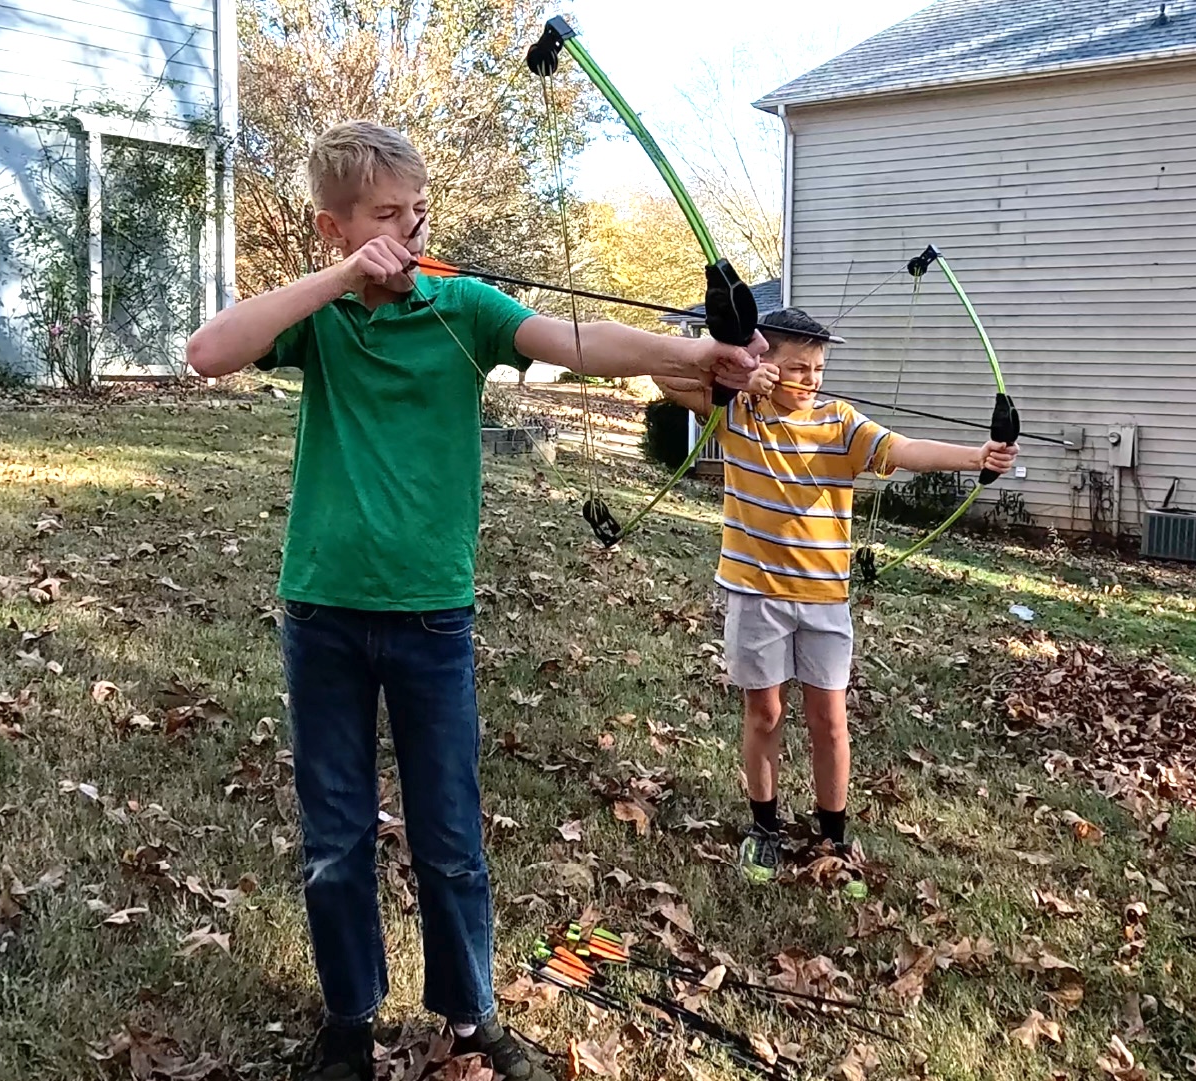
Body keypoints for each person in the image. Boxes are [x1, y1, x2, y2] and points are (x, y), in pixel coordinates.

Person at [185, 120, 763, 1081]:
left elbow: (571, 341)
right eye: (384, 217)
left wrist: (694, 353)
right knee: (335, 840)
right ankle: (348, 1021)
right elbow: (207, 351)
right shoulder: (318, 320)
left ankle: (469, 1015)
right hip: (323, 611)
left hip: (430, 616)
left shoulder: (463, 307)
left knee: (449, 834)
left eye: (416, 213)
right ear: (334, 227)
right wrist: (341, 278)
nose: (409, 232)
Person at [653, 307, 1017, 889]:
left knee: (830, 720)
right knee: (765, 712)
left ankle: (833, 836)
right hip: (756, 595)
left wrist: (976, 456)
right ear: (765, 362)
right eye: (797, 367)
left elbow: (901, 448)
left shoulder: (841, 423)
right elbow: (663, 375)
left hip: (824, 600)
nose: (811, 378)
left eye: (818, 367)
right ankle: (765, 828)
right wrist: (737, 374)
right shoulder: (735, 411)